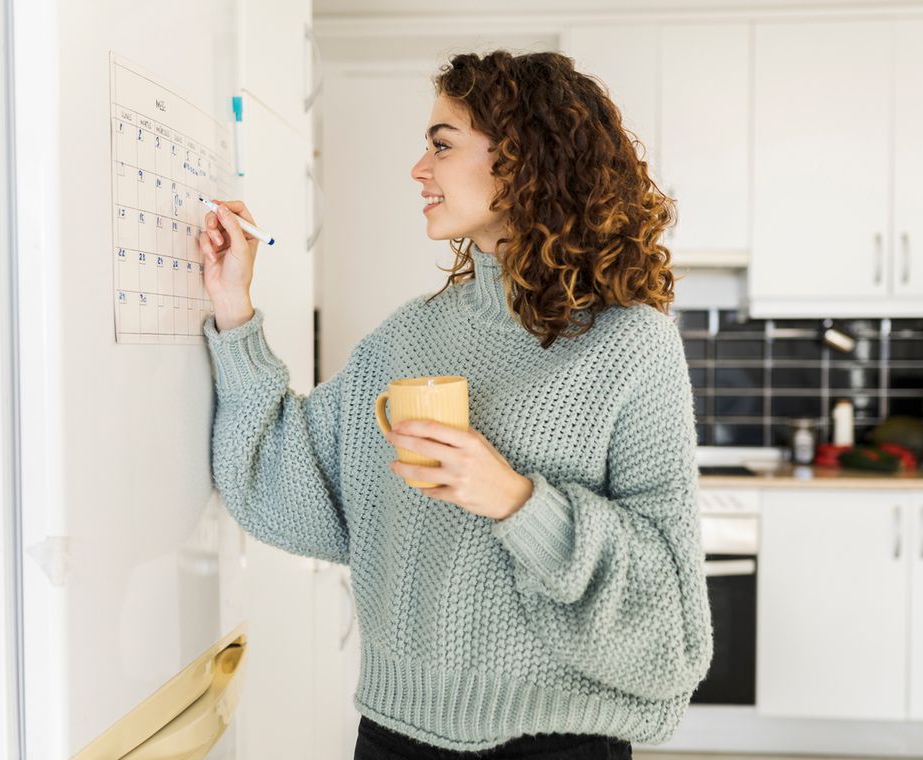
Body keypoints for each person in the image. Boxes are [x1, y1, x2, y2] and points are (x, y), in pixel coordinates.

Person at [198, 50, 713, 760]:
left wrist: (517, 502)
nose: (419, 169)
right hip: (393, 737)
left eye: (442, 145)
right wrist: (234, 310)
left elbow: (671, 629)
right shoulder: (409, 335)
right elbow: (284, 479)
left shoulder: (632, 347)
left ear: (525, 158)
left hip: (554, 745)